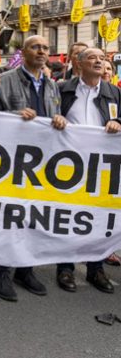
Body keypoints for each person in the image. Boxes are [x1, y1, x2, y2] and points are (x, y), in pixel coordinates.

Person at [0, 34, 67, 302]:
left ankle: (26, 269)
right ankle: (1, 273)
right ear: (23, 52)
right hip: (13, 159)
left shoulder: (52, 85)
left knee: (34, 217)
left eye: (46, 48)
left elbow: (53, 117)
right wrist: (15, 116)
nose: (42, 51)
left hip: (42, 162)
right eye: (36, 47)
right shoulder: (7, 79)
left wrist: (59, 119)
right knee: (11, 217)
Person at [55, 47, 120, 294]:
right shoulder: (63, 89)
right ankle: (65, 268)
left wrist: (117, 122)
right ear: (79, 64)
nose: (98, 62)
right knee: (68, 217)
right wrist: (56, 118)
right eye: (92, 58)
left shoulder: (113, 93)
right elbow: (48, 115)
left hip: (101, 168)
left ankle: (96, 269)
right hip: (68, 166)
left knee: (97, 219)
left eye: (101, 59)